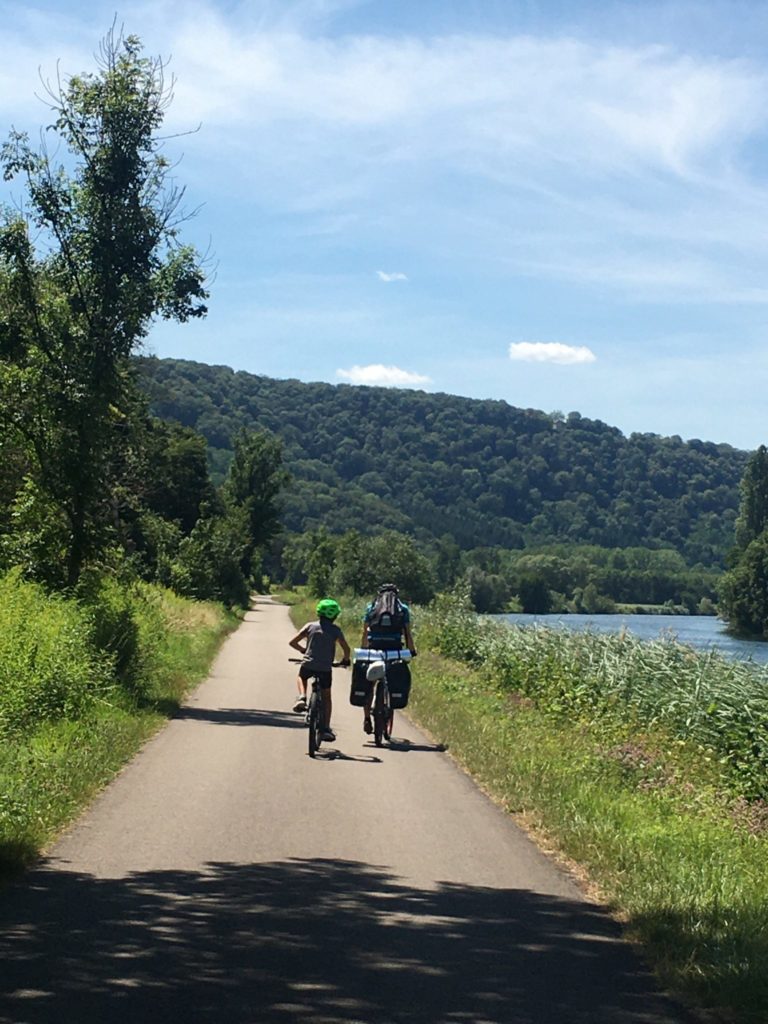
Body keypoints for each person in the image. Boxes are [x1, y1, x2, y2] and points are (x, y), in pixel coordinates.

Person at [289, 598, 350, 742]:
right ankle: (325, 729)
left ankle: (302, 697)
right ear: (335, 616)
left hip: (309, 664)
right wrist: (345, 660)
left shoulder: (310, 626)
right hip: (325, 668)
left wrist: (304, 650)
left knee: (302, 677)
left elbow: (293, 642)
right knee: (326, 697)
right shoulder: (336, 630)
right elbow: (346, 649)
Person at [359, 583, 416, 734]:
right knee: (393, 678)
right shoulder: (402, 609)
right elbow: (407, 632)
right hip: (394, 647)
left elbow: (365, 631)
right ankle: (388, 703)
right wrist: (411, 650)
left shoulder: (371, 607)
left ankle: (367, 718)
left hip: (374, 645)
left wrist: (364, 649)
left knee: (369, 683)